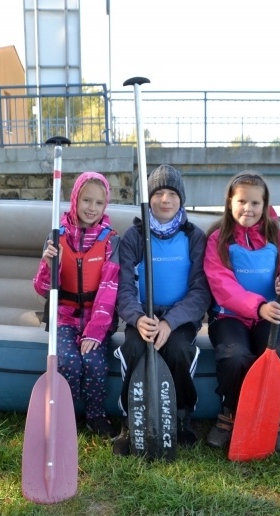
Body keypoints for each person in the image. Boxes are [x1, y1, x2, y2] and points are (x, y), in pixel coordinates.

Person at [112, 164, 212, 456]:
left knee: (179, 350)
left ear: (181, 199)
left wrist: (170, 323)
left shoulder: (194, 237)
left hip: (180, 318)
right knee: (133, 348)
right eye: (158, 193)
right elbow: (124, 288)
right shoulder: (134, 236)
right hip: (143, 315)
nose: (165, 199)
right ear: (149, 199)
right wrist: (138, 318)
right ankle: (131, 421)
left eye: (171, 193)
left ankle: (180, 416)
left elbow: (200, 291)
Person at [203, 171, 280, 454]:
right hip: (229, 316)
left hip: (271, 316)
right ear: (230, 203)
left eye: (255, 203)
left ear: (264, 204)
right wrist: (257, 305)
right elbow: (221, 283)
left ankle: (278, 414)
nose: (248, 209)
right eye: (242, 201)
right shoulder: (218, 239)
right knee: (235, 356)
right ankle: (229, 412)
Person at [33, 171, 120, 439]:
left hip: (96, 320)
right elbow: (41, 288)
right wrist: (49, 266)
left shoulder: (110, 241)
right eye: (86, 200)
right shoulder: (56, 237)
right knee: (68, 362)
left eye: (98, 203)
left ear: (105, 206)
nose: (91, 208)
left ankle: (95, 414)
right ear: (75, 200)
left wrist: (95, 331)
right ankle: (66, 414)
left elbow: (109, 289)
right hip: (64, 318)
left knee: (94, 362)